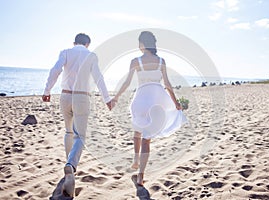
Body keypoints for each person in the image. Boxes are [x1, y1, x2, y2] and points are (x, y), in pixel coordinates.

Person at [42, 33, 114, 197]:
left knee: (68, 131)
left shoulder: (66, 52)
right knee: (80, 136)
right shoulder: (91, 55)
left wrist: (47, 91)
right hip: (82, 97)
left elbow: (55, 70)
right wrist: (107, 99)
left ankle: (69, 168)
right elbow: (98, 78)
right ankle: (71, 165)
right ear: (88, 44)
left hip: (65, 96)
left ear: (74, 42)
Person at [113, 31, 187, 186]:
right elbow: (167, 84)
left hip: (140, 99)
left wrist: (116, 97)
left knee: (137, 128)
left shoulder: (135, 61)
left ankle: (135, 158)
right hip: (157, 101)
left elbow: (127, 82)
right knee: (147, 140)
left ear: (141, 44)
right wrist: (176, 103)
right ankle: (140, 175)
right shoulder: (161, 61)